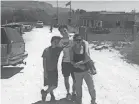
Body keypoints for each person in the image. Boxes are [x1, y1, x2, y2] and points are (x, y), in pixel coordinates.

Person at [70, 34, 97, 104]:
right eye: (76, 40)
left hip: (86, 70)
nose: (78, 41)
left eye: (80, 40)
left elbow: (87, 58)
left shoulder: (85, 47)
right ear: (74, 41)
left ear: (82, 40)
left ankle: (93, 101)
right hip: (77, 72)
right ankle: (79, 102)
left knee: (91, 87)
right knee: (78, 89)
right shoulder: (72, 49)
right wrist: (79, 66)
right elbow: (71, 61)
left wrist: (78, 64)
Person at [41, 36, 62, 102]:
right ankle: (47, 93)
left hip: (54, 70)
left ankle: (47, 94)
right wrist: (45, 72)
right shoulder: (46, 50)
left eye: (57, 42)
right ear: (51, 41)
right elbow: (44, 62)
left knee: (53, 85)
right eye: (55, 41)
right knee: (52, 85)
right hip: (48, 70)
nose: (56, 43)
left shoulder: (58, 49)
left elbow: (66, 43)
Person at [58, 25, 76, 100]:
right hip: (65, 62)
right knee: (66, 79)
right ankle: (68, 93)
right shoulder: (60, 41)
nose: (63, 32)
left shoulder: (73, 38)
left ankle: (74, 93)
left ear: (67, 30)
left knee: (75, 79)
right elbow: (57, 51)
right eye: (61, 31)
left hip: (74, 62)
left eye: (64, 30)